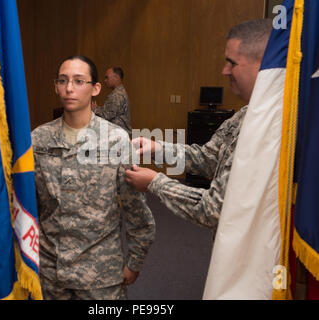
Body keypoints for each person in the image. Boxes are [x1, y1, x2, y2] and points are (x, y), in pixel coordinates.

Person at [125, 19, 272, 233]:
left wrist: (155, 183)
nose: (224, 70)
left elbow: (213, 209)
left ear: (263, 64)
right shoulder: (245, 115)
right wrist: (158, 149)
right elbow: (208, 158)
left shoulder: (270, 127)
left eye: (232, 63)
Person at [31, 55, 155, 300]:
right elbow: (28, 205)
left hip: (100, 274)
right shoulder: (38, 139)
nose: (69, 88)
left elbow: (136, 209)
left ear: (95, 88)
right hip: (50, 272)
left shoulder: (116, 140)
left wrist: (135, 260)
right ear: (55, 86)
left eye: (79, 81)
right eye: (63, 81)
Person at [92, 67, 132, 136]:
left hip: (118, 136)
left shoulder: (117, 95)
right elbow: (110, 111)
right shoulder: (118, 92)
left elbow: (107, 115)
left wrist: (94, 109)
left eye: (107, 77)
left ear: (116, 77)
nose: (105, 80)